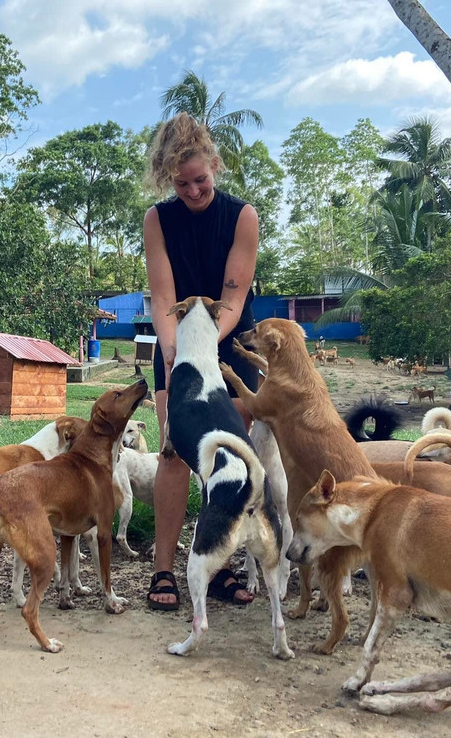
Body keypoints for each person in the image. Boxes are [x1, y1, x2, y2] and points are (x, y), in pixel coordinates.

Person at [143, 113, 260, 610]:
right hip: (176, 344)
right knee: (173, 452)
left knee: (228, 457)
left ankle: (218, 565)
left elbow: (233, 296)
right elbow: (162, 295)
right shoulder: (157, 220)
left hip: (229, 346)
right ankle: (163, 569)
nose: (192, 191)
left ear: (214, 163)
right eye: (181, 184)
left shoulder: (242, 216)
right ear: (168, 179)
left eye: (200, 180)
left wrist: (204, 347)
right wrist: (175, 354)